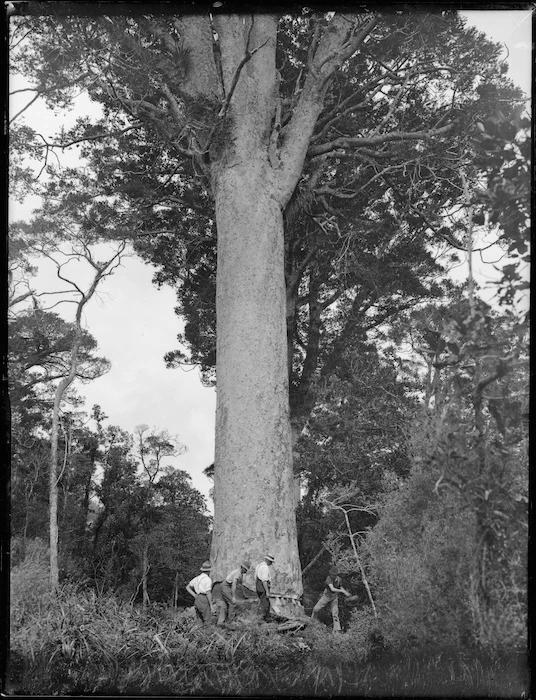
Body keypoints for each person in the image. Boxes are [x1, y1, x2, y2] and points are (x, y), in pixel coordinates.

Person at [311, 565, 351, 632]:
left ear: (336, 575)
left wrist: (345, 592)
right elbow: (332, 588)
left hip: (334, 597)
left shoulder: (339, 579)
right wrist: (342, 591)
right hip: (326, 596)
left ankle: (337, 631)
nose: (332, 576)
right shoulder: (328, 578)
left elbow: (340, 587)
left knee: (335, 614)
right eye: (331, 574)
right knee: (315, 609)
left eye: (334, 574)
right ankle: (311, 622)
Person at [217, 560, 251, 625]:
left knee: (224, 604)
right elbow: (234, 584)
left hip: (227, 586)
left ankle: (221, 622)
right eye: (245, 569)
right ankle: (230, 621)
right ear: (242, 567)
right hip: (226, 586)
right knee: (232, 603)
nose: (246, 571)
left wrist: (244, 595)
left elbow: (241, 585)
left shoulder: (241, 574)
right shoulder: (237, 573)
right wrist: (233, 597)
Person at [186, 561, 215, 625]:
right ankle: (208, 633)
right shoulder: (208, 579)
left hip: (197, 599)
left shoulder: (197, 578)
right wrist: (211, 605)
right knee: (207, 619)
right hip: (204, 598)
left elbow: (187, 587)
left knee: (199, 619)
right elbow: (208, 592)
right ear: (209, 571)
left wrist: (194, 595)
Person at [255, 554, 275, 622]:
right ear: (267, 560)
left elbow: (256, 577)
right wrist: (267, 591)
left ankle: (267, 619)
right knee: (265, 604)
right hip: (262, 587)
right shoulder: (265, 567)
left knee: (265, 602)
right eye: (270, 561)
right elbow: (264, 580)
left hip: (258, 586)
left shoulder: (258, 566)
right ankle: (260, 620)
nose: (271, 563)